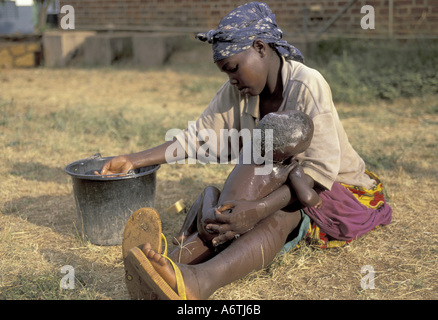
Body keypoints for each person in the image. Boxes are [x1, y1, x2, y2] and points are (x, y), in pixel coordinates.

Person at [99, 2, 393, 299]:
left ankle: (201, 281)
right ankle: (170, 265)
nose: (232, 80)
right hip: (276, 183)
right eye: (226, 74)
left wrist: (257, 210)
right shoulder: (237, 90)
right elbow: (196, 138)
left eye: (234, 69)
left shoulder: (307, 84)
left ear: (260, 47)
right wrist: (132, 160)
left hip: (332, 192)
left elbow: (318, 174)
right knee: (228, 213)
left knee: (279, 215)